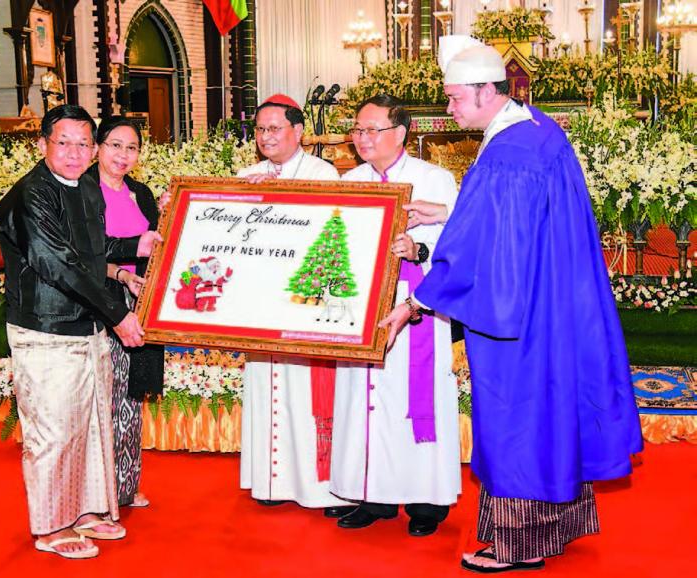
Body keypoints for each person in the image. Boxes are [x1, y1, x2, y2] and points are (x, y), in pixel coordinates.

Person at [381, 36, 643, 572]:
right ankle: (555, 528)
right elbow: (513, 220)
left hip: (518, 318)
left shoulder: (507, 154)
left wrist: (413, 304)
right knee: (554, 411)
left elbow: (486, 251)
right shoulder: (538, 129)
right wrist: (446, 214)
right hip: (552, 298)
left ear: (486, 90)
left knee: (516, 421)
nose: (449, 108)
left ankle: (517, 544)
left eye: (455, 97)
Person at [0, 105, 160, 559]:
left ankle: (86, 509)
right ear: (43, 144)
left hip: (88, 326)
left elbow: (92, 249)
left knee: (89, 425)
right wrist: (118, 314)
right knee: (53, 430)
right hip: (46, 328)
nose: (74, 153)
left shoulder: (84, 187)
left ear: (92, 149)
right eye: (63, 142)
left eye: (83, 143)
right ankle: (52, 526)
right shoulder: (31, 195)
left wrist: (133, 250)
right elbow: (59, 263)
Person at [330, 95, 461, 537]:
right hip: (362, 304)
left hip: (418, 302)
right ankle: (374, 496)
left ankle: (425, 503)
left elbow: (458, 247)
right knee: (364, 400)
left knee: (413, 398)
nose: (362, 138)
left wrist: (417, 249)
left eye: (372, 130)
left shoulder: (434, 180)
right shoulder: (350, 181)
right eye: (357, 130)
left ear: (400, 133)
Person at [238, 94, 353, 517]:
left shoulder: (322, 173)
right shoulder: (246, 175)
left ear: (298, 131)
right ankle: (270, 481)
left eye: (274, 128)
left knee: (303, 393)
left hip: (305, 299)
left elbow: (329, 230)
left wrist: (275, 197)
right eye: (260, 129)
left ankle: (315, 487)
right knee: (266, 385)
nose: (266, 137)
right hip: (260, 300)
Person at [86, 116, 165, 509]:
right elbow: (85, 252)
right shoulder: (83, 190)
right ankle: (97, 491)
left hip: (139, 300)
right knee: (103, 396)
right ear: (98, 147)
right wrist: (122, 269)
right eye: (115, 145)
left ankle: (125, 485)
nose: (123, 154)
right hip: (101, 303)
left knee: (130, 394)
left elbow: (158, 241)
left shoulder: (140, 192)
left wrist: (170, 212)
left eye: (131, 148)